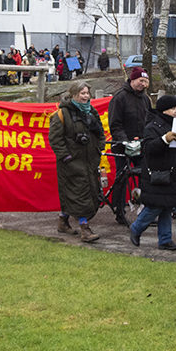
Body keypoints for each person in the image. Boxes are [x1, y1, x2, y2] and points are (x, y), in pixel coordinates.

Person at [48, 80, 105, 242]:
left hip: (90, 160)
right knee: (80, 193)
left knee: (86, 192)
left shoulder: (91, 112)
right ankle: (84, 228)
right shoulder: (62, 114)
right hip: (70, 162)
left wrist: (99, 148)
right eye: (83, 93)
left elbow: (100, 132)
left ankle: (63, 221)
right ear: (74, 95)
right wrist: (65, 156)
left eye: (87, 93)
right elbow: (55, 138)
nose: (86, 96)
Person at [128, 94, 176, 251]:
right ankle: (136, 228)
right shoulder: (152, 126)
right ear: (164, 110)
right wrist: (165, 139)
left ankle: (165, 239)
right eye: (173, 108)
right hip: (157, 173)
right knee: (156, 206)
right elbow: (148, 148)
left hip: (172, 173)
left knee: (167, 206)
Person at [107, 66, 151, 225]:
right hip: (122, 146)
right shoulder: (119, 98)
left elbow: (149, 121)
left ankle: (145, 211)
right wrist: (126, 141)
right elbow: (115, 124)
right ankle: (119, 210)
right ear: (132, 80)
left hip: (142, 146)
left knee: (144, 178)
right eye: (141, 81)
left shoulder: (145, 99)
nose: (143, 84)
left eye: (146, 81)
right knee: (121, 178)